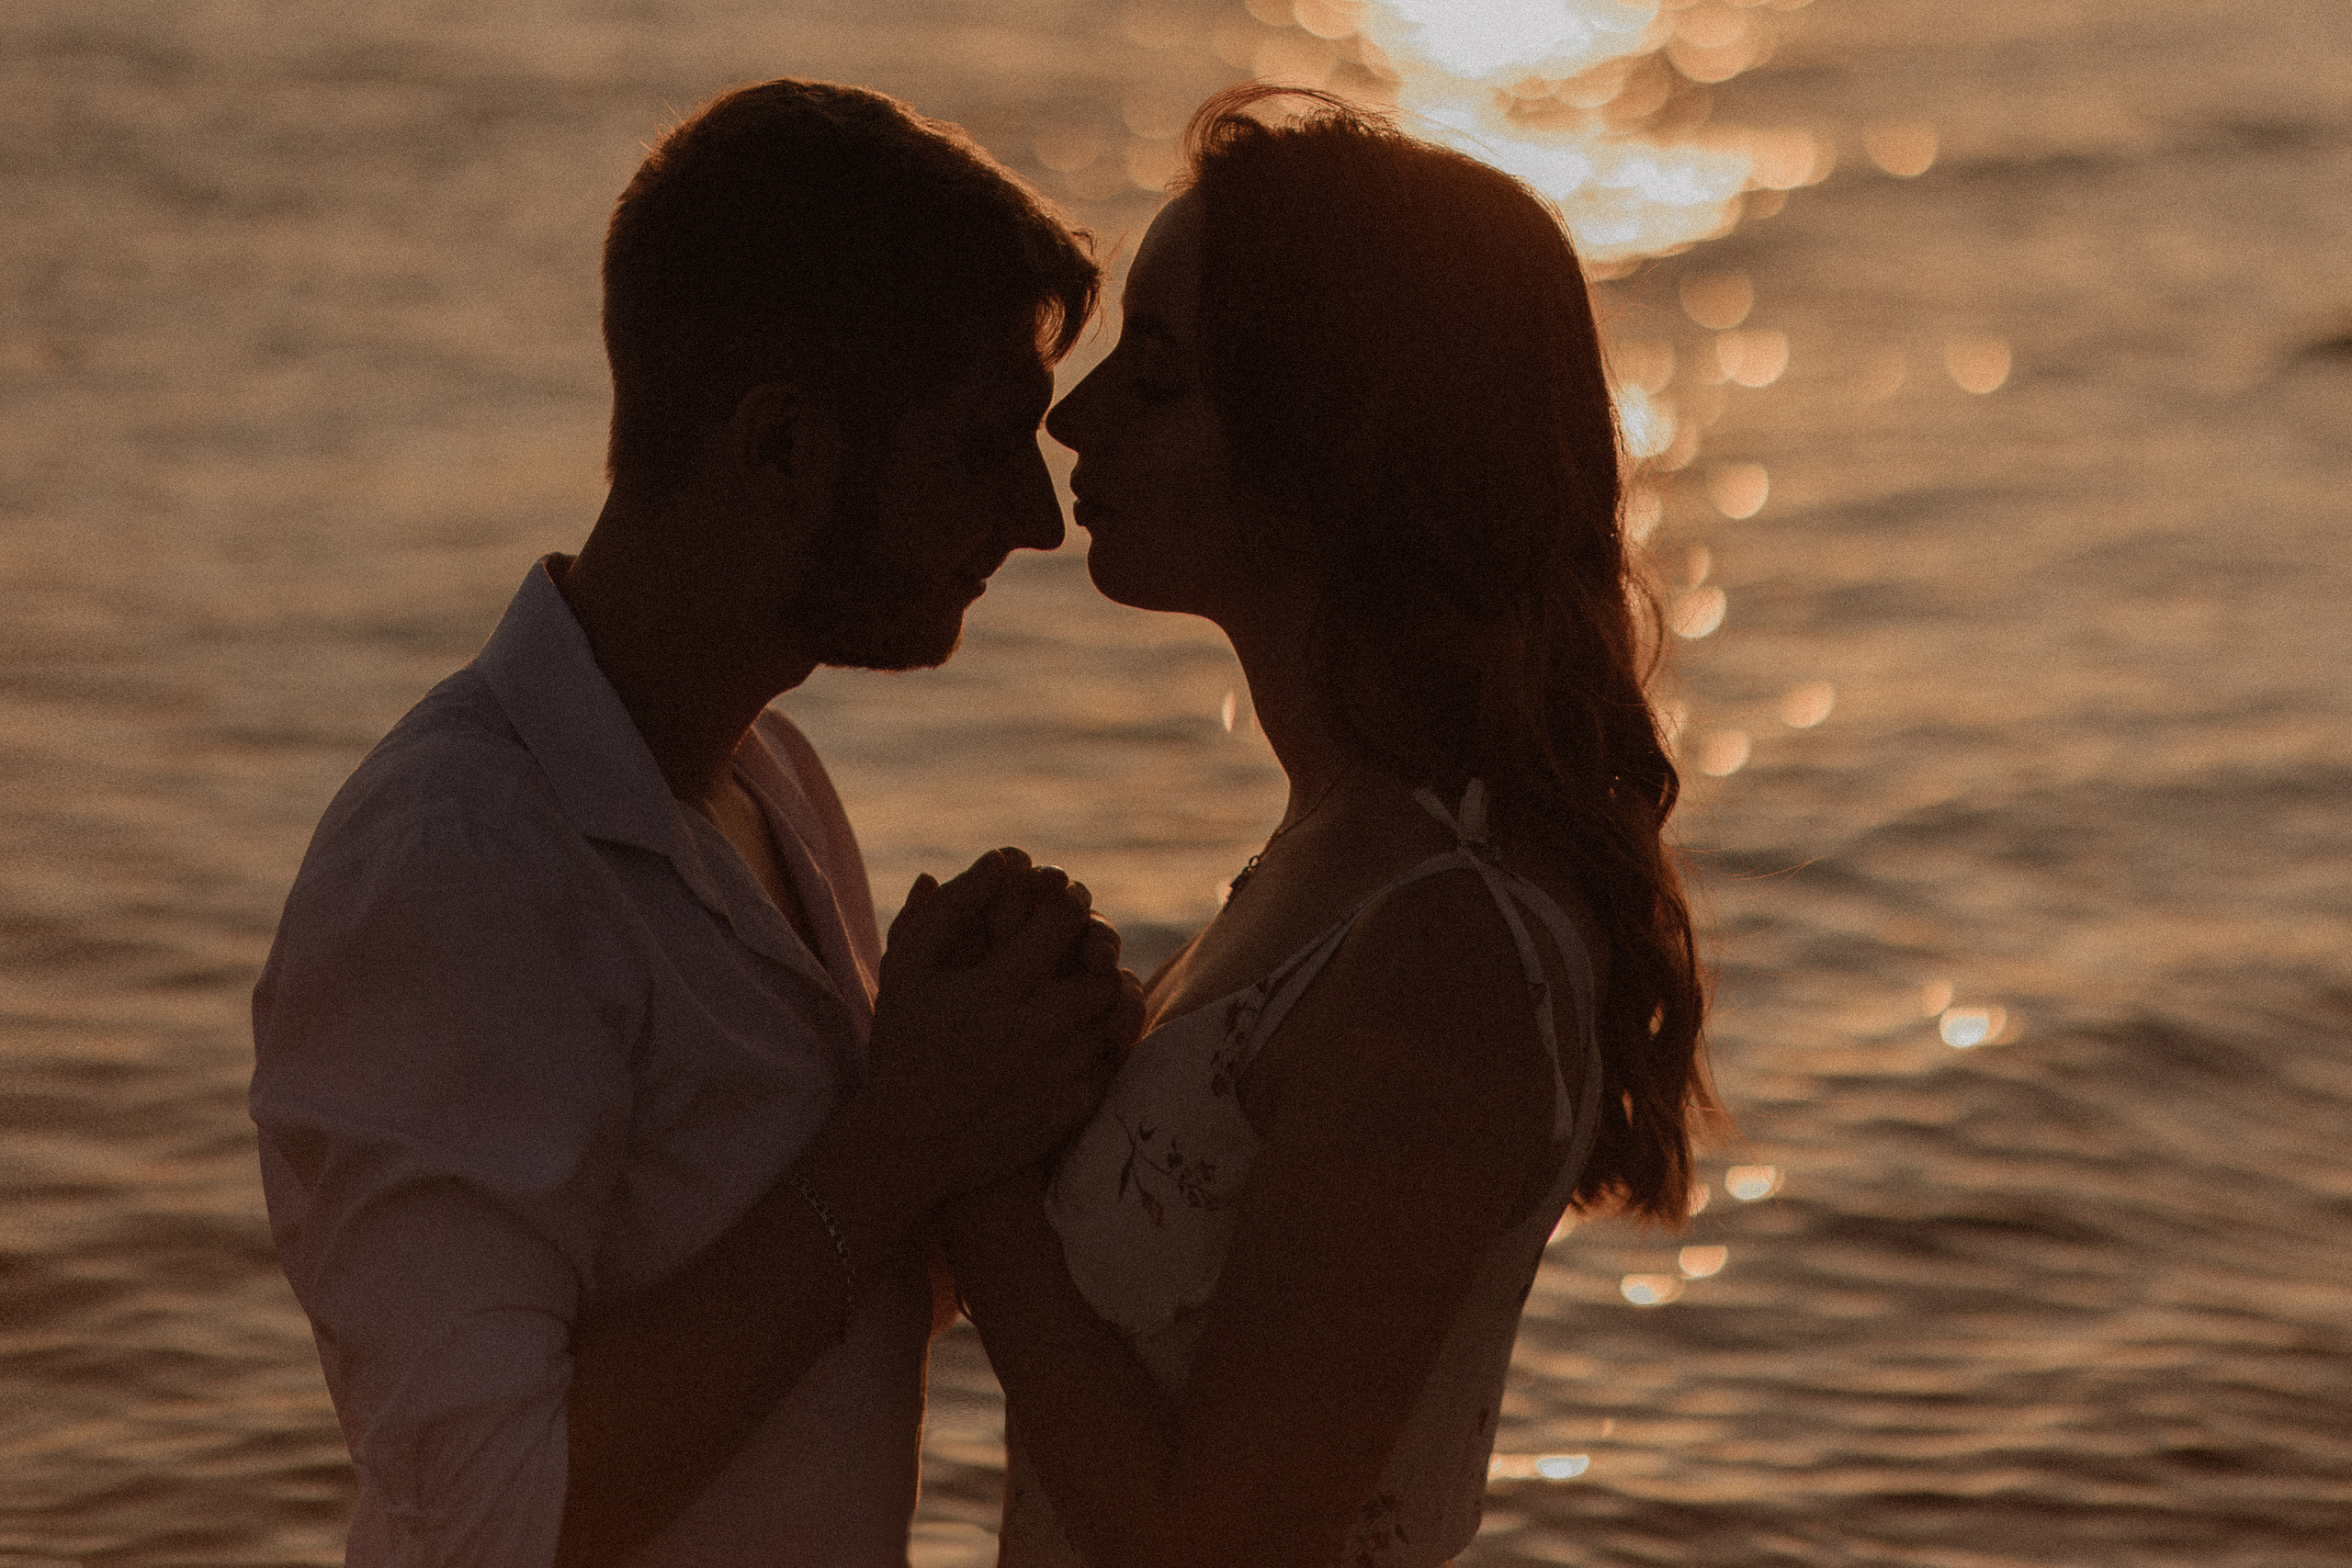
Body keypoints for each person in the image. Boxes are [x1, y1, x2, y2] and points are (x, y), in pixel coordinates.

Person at [249, 79, 1141, 1568]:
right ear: (781, 450)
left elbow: (815, 1309)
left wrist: (1010, 1094)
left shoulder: (769, 777)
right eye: (986, 445)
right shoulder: (453, 867)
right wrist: (902, 1133)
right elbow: (498, 1521)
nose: (1039, 520)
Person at [937, 86, 1717, 1566]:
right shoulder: (1334, 860)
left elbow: (1209, 1544)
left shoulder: (1446, 949)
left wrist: (969, 1167)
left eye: (1155, 377)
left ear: (1326, 447)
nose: (1074, 415)